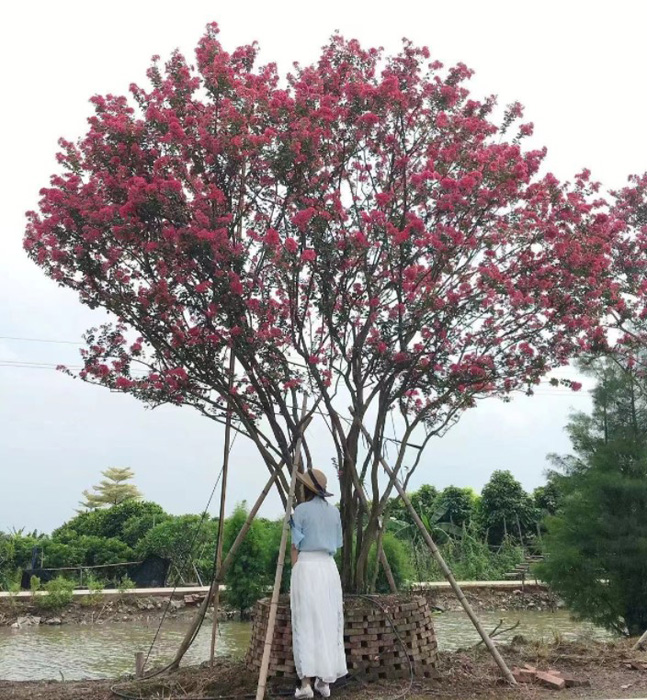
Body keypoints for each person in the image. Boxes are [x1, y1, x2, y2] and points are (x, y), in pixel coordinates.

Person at [290, 468, 347, 699]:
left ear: (306, 488)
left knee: (305, 621)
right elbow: (337, 544)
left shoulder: (300, 511)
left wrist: (295, 572)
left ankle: (305, 684)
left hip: (307, 567)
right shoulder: (334, 513)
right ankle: (324, 681)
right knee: (328, 620)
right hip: (328, 569)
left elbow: (295, 547)